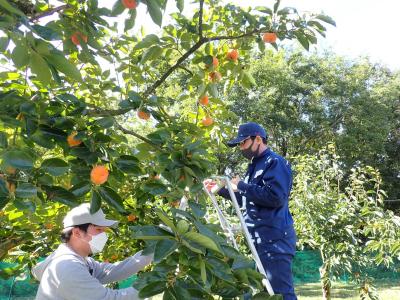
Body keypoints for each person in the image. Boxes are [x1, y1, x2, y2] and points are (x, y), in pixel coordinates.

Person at [205, 122, 297, 300]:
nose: (241, 147)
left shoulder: (275, 162)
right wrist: (221, 189)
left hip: (274, 239)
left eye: (243, 142)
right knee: (266, 293)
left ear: (258, 139)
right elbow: (247, 198)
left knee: (280, 294)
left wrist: (240, 185)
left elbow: (275, 197)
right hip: (258, 239)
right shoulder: (254, 166)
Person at [32, 203, 153, 300]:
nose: (104, 235)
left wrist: (155, 250)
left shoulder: (82, 261)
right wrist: (158, 284)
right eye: (99, 229)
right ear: (77, 232)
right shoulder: (67, 266)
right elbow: (108, 298)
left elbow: (115, 270)